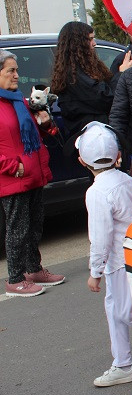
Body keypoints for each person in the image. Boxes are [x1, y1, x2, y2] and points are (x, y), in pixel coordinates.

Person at [77, 122, 132, 387]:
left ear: (82, 161)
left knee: (123, 312)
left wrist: (94, 271)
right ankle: (122, 362)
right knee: (115, 310)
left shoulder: (97, 191)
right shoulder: (126, 179)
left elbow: (100, 236)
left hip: (120, 261)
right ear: (118, 154)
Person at [1, 50, 64, 297]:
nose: (17, 75)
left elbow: (39, 133)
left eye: (16, 70)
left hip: (33, 174)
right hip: (14, 177)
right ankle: (15, 279)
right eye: (11, 71)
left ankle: (33, 270)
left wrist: (46, 123)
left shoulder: (19, 101)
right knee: (17, 229)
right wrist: (12, 166)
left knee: (34, 225)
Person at [50, 21, 117, 139]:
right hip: (92, 139)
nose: (94, 44)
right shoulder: (74, 75)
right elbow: (105, 98)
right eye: (90, 39)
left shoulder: (80, 69)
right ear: (78, 43)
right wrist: (121, 74)